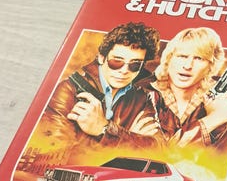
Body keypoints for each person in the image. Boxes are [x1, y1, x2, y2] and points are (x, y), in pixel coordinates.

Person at [40, 22, 160, 152]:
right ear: (102, 58)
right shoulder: (68, 90)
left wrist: (103, 128)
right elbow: (54, 150)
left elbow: (158, 150)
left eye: (135, 65)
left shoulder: (142, 98)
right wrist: (132, 139)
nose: (124, 71)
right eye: (117, 61)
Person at [144, 27, 227, 149]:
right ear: (169, 59)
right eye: (182, 56)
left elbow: (222, 156)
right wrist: (216, 117)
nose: (187, 66)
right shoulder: (141, 94)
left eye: (198, 58)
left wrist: (221, 125)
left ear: (211, 66)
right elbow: (160, 153)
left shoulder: (209, 100)